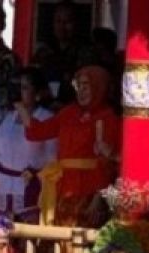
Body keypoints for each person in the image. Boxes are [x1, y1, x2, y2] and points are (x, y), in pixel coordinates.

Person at [20, 65, 119, 229]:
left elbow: (107, 163)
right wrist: (22, 108)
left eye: (86, 86)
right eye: (78, 86)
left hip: (88, 189)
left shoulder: (107, 117)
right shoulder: (68, 113)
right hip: (62, 186)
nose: (81, 91)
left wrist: (98, 198)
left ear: (98, 86)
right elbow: (36, 132)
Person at [0, 68, 56, 221]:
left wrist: (37, 174)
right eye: (17, 87)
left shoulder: (47, 118)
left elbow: (52, 159)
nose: (19, 92)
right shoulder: (6, 119)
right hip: (3, 187)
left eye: (24, 87)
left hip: (30, 187)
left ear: (38, 93)